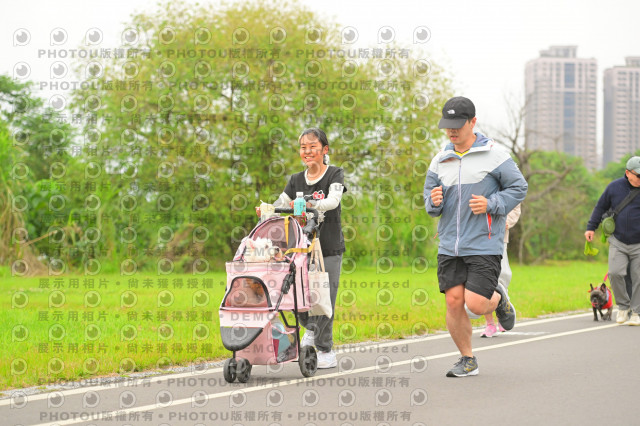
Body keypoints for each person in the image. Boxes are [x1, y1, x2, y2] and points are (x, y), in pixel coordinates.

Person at [424, 96, 528, 377]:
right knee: (453, 302)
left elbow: (519, 187)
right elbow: (429, 198)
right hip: (450, 244)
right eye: (448, 125)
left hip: (484, 242)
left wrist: (492, 204)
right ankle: (467, 359)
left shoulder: (495, 155)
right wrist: (434, 201)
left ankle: (499, 297)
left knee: (477, 304)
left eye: (458, 124)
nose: (452, 130)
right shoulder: (440, 159)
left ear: (473, 122)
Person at [272, 127, 347, 368]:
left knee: (323, 299)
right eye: (303, 147)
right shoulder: (295, 179)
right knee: (297, 297)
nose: (307, 151)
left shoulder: (335, 173)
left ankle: (325, 350)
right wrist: (268, 210)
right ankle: (311, 329)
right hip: (300, 249)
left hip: (328, 248)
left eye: (313, 146)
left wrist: (308, 203)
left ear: (324, 150)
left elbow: (333, 201)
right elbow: (281, 203)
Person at [585, 156, 640, 326]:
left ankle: (636, 312)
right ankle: (623, 306)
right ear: (628, 173)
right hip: (618, 240)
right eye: (638, 175)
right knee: (615, 273)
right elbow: (600, 207)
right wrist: (591, 227)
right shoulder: (614, 187)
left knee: (638, 277)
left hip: (639, 243)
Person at [481, 204, 522, 337]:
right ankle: (490, 324)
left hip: (499, 237)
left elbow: (515, 207)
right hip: (478, 239)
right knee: (482, 280)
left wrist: (506, 221)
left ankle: (503, 312)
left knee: (501, 278)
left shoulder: (507, 189)